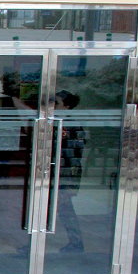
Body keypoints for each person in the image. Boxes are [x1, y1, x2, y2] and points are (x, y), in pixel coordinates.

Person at [54, 90, 86, 253]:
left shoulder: (71, 124)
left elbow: (74, 152)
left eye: (57, 103)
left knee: (64, 208)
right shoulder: (58, 121)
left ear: (66, 105)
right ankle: (75, 242)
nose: (53, 107)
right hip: (58, 171)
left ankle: (76, 242)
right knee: (60, 208)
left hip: (66, 173)